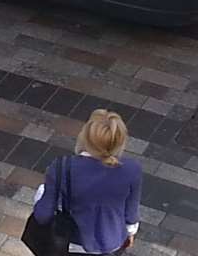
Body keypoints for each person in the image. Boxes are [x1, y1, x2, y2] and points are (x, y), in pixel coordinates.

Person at [32, 109, 143, 255]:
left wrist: (41, 193)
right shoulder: (132, 169)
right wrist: (129, 234)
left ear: (86, 137)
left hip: (73, 242)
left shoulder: (62, 167)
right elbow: (131, 215)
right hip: (113, 243)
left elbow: (43, 215)